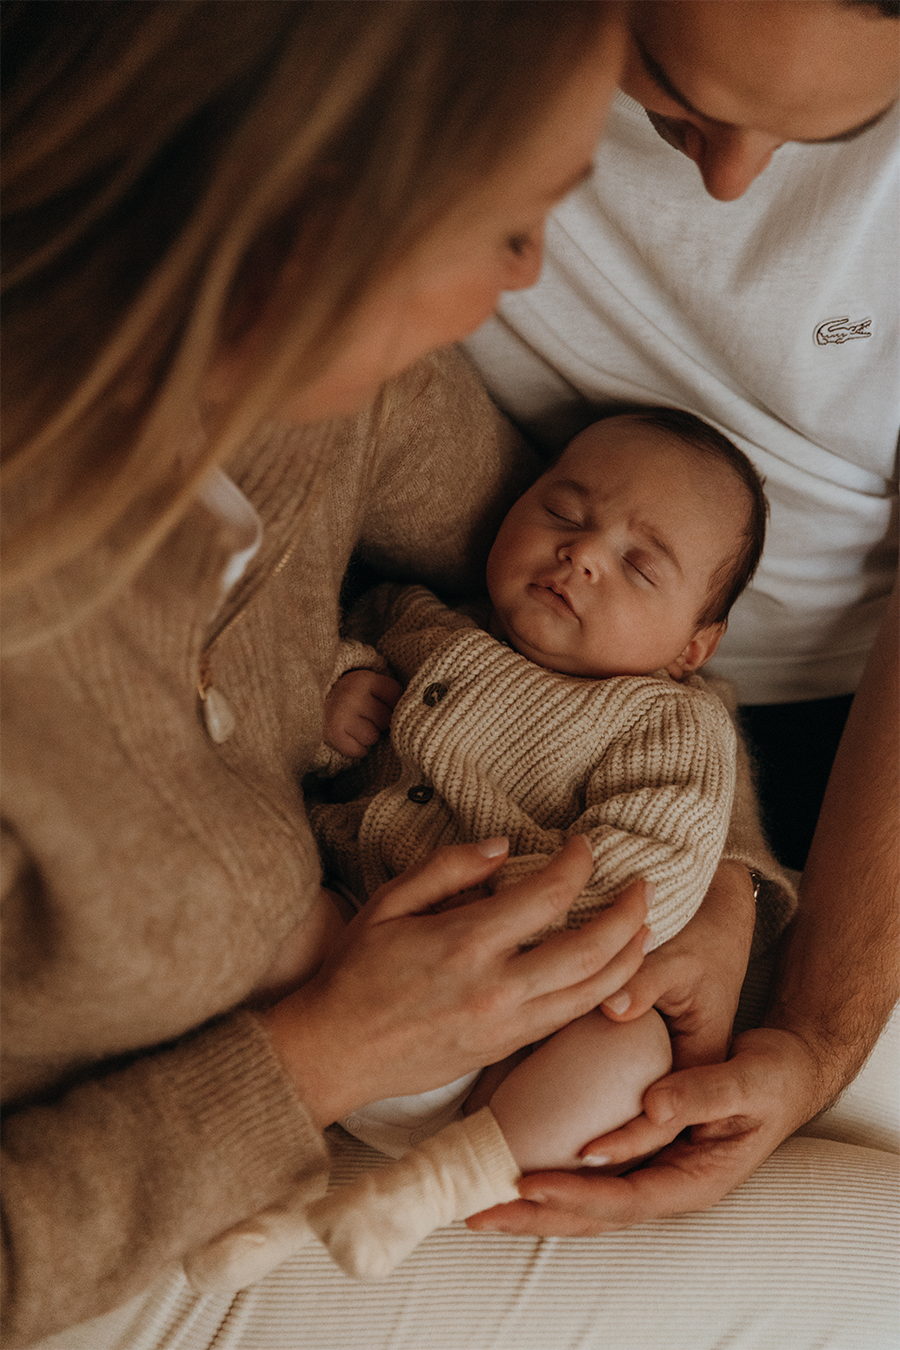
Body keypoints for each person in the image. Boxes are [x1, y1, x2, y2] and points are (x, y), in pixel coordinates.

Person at [1, 4, 896, 1350]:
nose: (526, 287)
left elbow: (617, 644)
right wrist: (321, 1057)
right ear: (322, 211)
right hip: (122, 1205)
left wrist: (717, 888)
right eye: (510, 224)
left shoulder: (347, 403)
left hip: (407, 1024)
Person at [462, 0, 900, 1251]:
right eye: (667, 80)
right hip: (478, 614)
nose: (729, 178)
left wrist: (810, 1029)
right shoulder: (407, 66)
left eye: (823, 132)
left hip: (835, 719)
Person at [184, 405, 796, 1292]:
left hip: (517, 1025)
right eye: (565, 513)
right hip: (346, 948)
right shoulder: (415, 620)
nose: (583, 555)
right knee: (258, 914)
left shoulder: (671, 720)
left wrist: (495, 918)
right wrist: (334, 697)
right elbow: (288, 676)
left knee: (628, 1064)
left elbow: (654, 866)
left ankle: (429, 1187)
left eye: (637, 565)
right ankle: (271, 1180)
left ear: (691, 647)